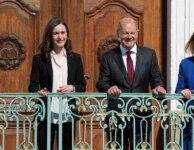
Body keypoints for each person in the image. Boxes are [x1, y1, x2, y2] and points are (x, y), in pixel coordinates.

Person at [96, 16, 166, 150]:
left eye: (132, 32)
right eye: (125, 33)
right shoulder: (108, 56)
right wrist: (109, 88)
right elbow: (101, 83)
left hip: (142, 114)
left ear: (137, 33)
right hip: (116, 115)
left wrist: (158, 87)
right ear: (119, 34)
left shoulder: (149, 54)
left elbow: (156, 78)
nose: (129, 36)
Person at [28, 17, 86, 150]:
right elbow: (32, 86)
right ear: (50, 35)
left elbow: (81, 85)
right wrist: (39, 92)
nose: (60, 37)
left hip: (68, 114)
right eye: (56, 33)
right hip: (45, 115)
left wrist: (72, 87)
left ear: (67, 34)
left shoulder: (75, 59)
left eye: (63, 33)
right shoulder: (39, 59)